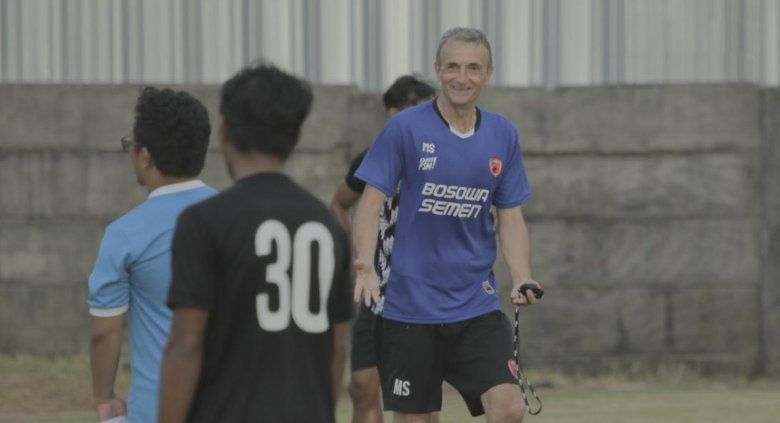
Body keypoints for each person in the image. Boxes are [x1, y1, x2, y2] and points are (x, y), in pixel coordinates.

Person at [352, 27, 543, 423]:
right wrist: (365, 267)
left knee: (509, 410)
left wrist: (522, 276)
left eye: (473, 68)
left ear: (489, 73)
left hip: (476, 303)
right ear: (438, 69)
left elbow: (509, 214)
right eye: (453, 66)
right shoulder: (405, 128)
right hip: (409, 307)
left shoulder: (502, 134)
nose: (462, 77)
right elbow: (369, 205)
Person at [157, 63, 353, 423]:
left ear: (224, 131)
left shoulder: (203, 222)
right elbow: (338, 347)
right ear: (295, 138)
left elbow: (185, 344)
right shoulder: (328, 226)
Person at [88, 87, 216, 423]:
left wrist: (104, 397)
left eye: (130, 144)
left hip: (157, 408)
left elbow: (104, 331)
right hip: (231, 402)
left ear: (145, 156)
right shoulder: (236, 217)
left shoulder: (125, 234)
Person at [329, 75, 435, 423]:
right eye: (417, 112)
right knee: (361, 385)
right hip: (377, 289)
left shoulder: (444, 160)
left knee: (416, 398)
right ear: (393, 114)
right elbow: (339, 204)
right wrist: (356, 255)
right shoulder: (372, 158)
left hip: (424, 293)